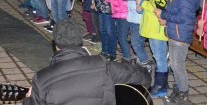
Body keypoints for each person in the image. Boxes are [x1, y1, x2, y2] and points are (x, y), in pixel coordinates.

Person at [22, 18, 152, 105]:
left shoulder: (42, 79)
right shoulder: (103, 65)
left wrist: (28, 100)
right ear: (80, 41)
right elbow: (143, 77)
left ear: (55, 44)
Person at [157, 0, 199, 103]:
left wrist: (164, 15)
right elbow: (173, 13)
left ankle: (183, 91)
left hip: (181, 38)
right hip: (175, 35)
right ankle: (180, 87)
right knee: (174, 64)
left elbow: (183, 18)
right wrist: (165, 18)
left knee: (178, 65)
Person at [140, 0, 170, 98]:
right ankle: (162, 83)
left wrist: (143, 3)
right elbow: (147, 0)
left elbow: (157, 6)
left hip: (158, 28)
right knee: (157, 55)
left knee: (160, 56)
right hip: (150, 27)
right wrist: (142, 3)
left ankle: (160, 86)